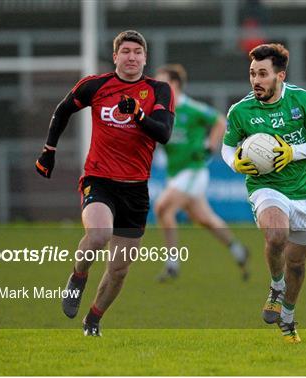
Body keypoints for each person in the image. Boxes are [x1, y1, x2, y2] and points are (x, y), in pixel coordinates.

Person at [35, 30, 175, 336]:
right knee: (98, 236)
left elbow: (163, 133)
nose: (131, 57)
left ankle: (93, 320)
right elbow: (62, 111)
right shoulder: (95, 85)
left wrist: (138, 114)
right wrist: (49, 151)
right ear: (115, 56)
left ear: (145, 58)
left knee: (119, 269)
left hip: (136, 188)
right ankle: (78, 276)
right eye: (125, 51)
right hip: (99, 179)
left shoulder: (159, 90)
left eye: (137, 52)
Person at [221, 43, 306, 343]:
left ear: (280, 76)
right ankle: (275, 285)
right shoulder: (241, 110)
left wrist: (292, 152)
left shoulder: (304, 101)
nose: (255, 80)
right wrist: (234, 162)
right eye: (251, 74)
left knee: (297, 263)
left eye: (262, 73)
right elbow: (227, 146)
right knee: (275, 235)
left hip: (305, 191)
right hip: (265, 185)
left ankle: (288, 316)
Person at [153, 64, 249, 282]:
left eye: (162, 82)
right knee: (204, 219)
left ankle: (172, 264)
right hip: (175, 173)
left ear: (175, 84)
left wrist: (210, 146)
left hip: (193, 171)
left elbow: (220, 121)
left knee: (162, 207)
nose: (157, 86)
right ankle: (238, 250)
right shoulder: (160, 111)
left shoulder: (191, 108)